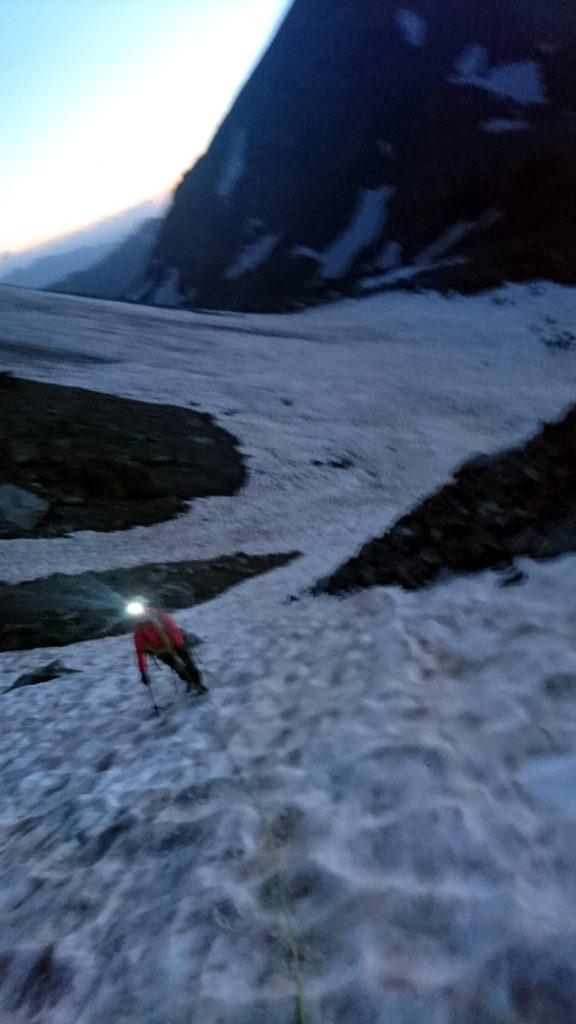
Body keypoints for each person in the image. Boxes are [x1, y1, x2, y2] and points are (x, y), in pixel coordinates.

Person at [127, 598, 208, 695]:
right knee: (177, 667)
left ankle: (198, 683)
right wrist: (143, 670)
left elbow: (173, 629)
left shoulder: (159, 615)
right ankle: (189, 681)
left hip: (174, 644)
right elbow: (140, 648)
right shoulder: (139, 628)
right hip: (161, 651)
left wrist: (178, 645)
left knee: (188, 663)